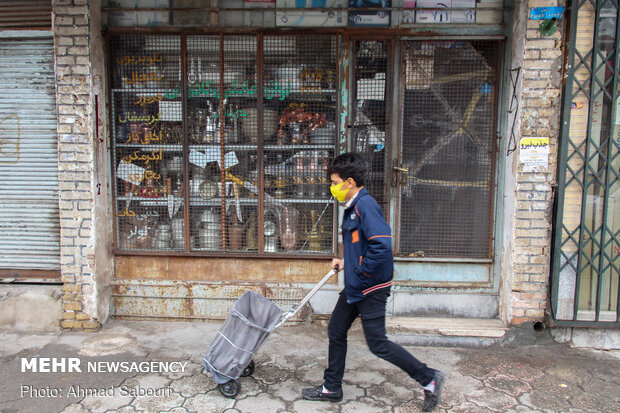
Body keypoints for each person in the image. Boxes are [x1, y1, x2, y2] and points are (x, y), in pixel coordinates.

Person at [301, 152, 445, 412]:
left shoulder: (365, 206)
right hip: (357, 284)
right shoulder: (353, 206)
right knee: (335, 330)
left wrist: (362, 272)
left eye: (334, 182)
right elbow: (363, 244)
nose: (331, 187)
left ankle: (429, 378)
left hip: (370, 287)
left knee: (378, 343)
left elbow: (381, 245)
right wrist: (346, 262)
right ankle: (332, 387)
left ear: (350, 182)